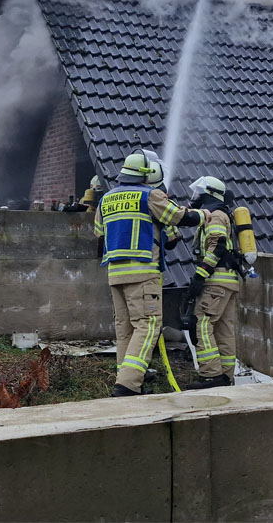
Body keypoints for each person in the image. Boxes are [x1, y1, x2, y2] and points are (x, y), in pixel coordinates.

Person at [95, 150, 202, 397]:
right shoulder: (150, 195)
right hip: (143, 272)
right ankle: (127, 385)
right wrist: (203, 215)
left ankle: (128, 376)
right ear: (146, 174)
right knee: (148, 325)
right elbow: (178, 217)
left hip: (115, 273)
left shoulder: (106, 199)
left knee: (125, 328)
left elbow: (100, 235)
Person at [183, 176, 240, 389]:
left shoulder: (215, 216)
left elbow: (218, 246)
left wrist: (200, 276)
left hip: (216, 281)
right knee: (223, 329)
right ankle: (226, 376)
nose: (195, 197)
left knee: (201, 324)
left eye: (199, 193)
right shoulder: (223, 214)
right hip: (228, 281)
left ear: (209, 194)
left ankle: (210, 375)